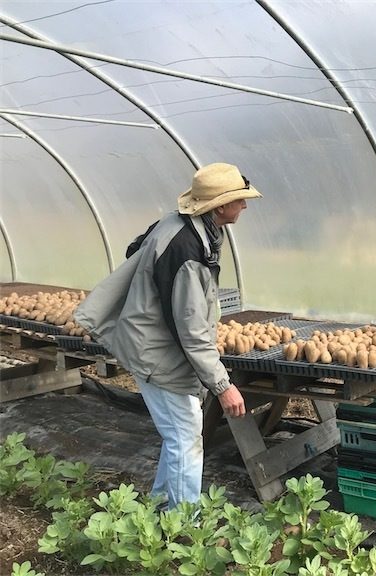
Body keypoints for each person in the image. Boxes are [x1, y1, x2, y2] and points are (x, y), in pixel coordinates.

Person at [75, 162, 260, 510]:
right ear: (220, 206)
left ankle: (160, 509)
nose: (245, 206)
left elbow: (135, 249)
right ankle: (180, 529)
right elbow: (191, 332)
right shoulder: (187, 250)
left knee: (179, 437)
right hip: (155, 353)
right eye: (240, 200)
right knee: (186, 438)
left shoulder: (178, 223)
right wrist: (224, 386)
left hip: (153, 341)